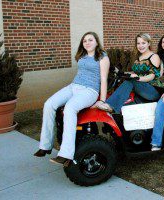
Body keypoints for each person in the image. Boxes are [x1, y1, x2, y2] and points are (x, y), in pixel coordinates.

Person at [34, 32, 110, 165]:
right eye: (84, 40)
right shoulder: (82, 56)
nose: (87, 42)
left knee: (69, 109)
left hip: (89, 90)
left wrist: (101, 100)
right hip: (74, 86)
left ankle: (66, 154)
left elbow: (103, 79)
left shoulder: (102, 57)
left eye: (90, 40)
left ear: (97, 42)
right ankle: (45, 146)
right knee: (49, 104)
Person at [97, 33, 161, 113]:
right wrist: (120, 72)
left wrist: (137, 78)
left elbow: (152, 76)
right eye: (138, 43)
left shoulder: (154, 56)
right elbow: (134, 72)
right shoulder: (139, 58)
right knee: (128, 81)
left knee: (131, 81)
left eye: (143, 43)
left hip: (153, 90)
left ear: (149, 43)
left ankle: (111, 106)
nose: (140, 45)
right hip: (141, 87)